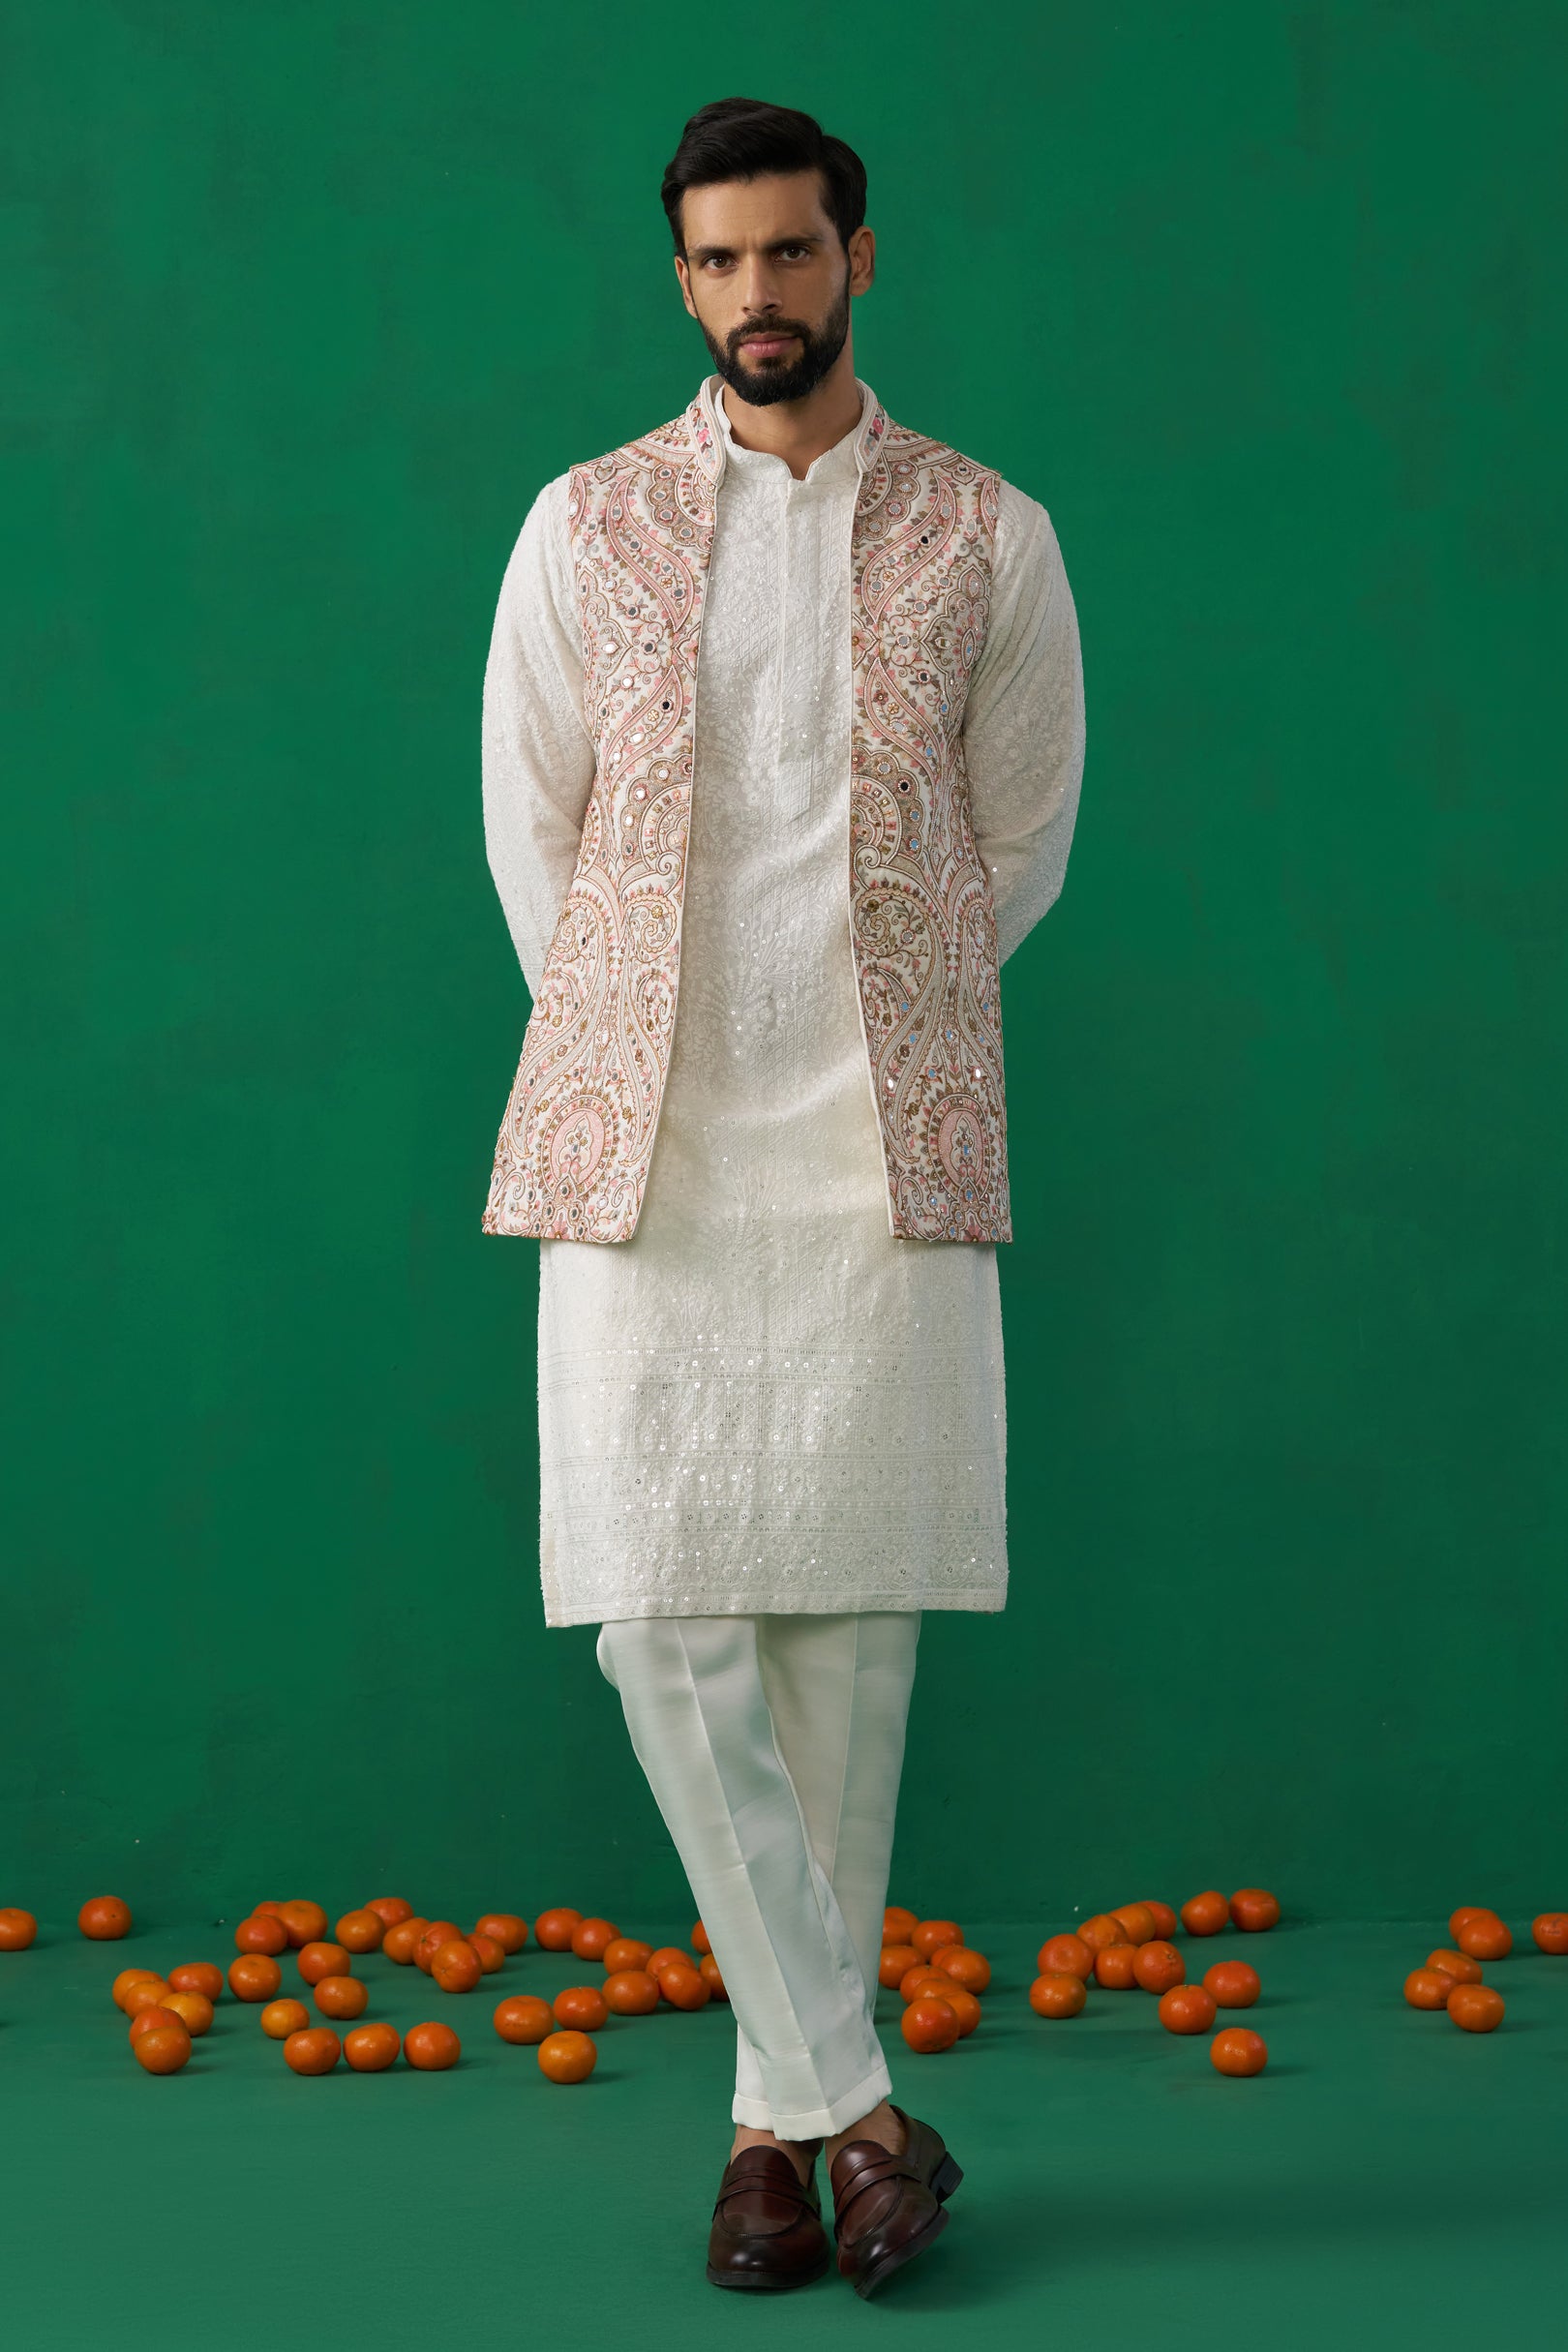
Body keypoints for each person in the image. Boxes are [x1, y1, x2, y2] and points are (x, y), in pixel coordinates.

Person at [479, 95, 1085, 2298]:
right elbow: (533, 829)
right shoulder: (582, 525)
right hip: (645, 1133)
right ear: (683, 281)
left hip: (875, 1136)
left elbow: (1020, 840)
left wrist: (869, 1013)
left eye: (793, 253)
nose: (759, 294)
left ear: (858, 259)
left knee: (845, 1642)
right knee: (658, 1612)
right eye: (720, 261)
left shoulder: (990, 532)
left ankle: (770, 2140)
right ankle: (864, 2106)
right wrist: (655, 1027)